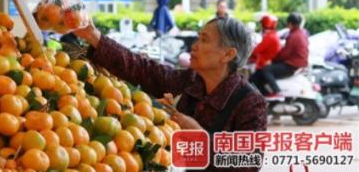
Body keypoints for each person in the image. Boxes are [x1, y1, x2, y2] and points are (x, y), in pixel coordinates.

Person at [75, 16, 267, 171]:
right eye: (198, 37)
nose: (194, 45)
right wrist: (93, 36)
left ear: (227, 55)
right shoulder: (190, 81)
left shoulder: (250, 103)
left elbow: (249, 163)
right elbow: (143, 69)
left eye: (204, 40)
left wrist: (201, 138)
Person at [250, 13, 308, 97]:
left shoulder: (292, 36)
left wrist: (273, 61)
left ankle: (276, 91)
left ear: (290, 23)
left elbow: (285, 53)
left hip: (291, 65)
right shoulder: (301, 33)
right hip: (296, 63)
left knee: (266, 70)